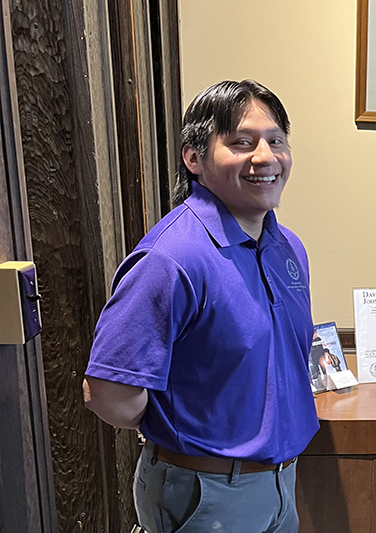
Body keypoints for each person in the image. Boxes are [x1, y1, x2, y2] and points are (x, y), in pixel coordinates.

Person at [82, 80, 318, 533]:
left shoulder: (288, 248)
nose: (265, 156)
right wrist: (177, 430)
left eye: (276, 140)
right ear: (195, 158)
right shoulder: (172, 258)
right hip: (206, 493)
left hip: (281, 485)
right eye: (241, 143)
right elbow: (110, 394)